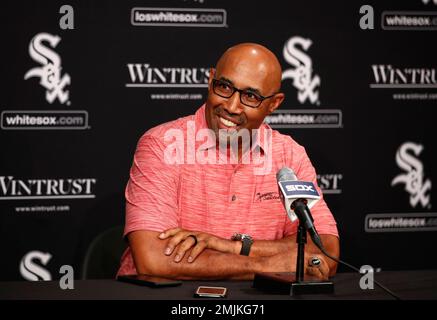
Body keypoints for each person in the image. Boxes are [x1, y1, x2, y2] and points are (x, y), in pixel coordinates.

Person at [117, 43, 339, 280]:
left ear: (274, 103)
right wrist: (269, 265)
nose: (231, 107)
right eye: (224, 87)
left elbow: (324, 251)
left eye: (250, 96)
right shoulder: (162, 144)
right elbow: (154, 259)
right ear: (211, 79)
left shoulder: (290, 155)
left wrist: (233, 246)